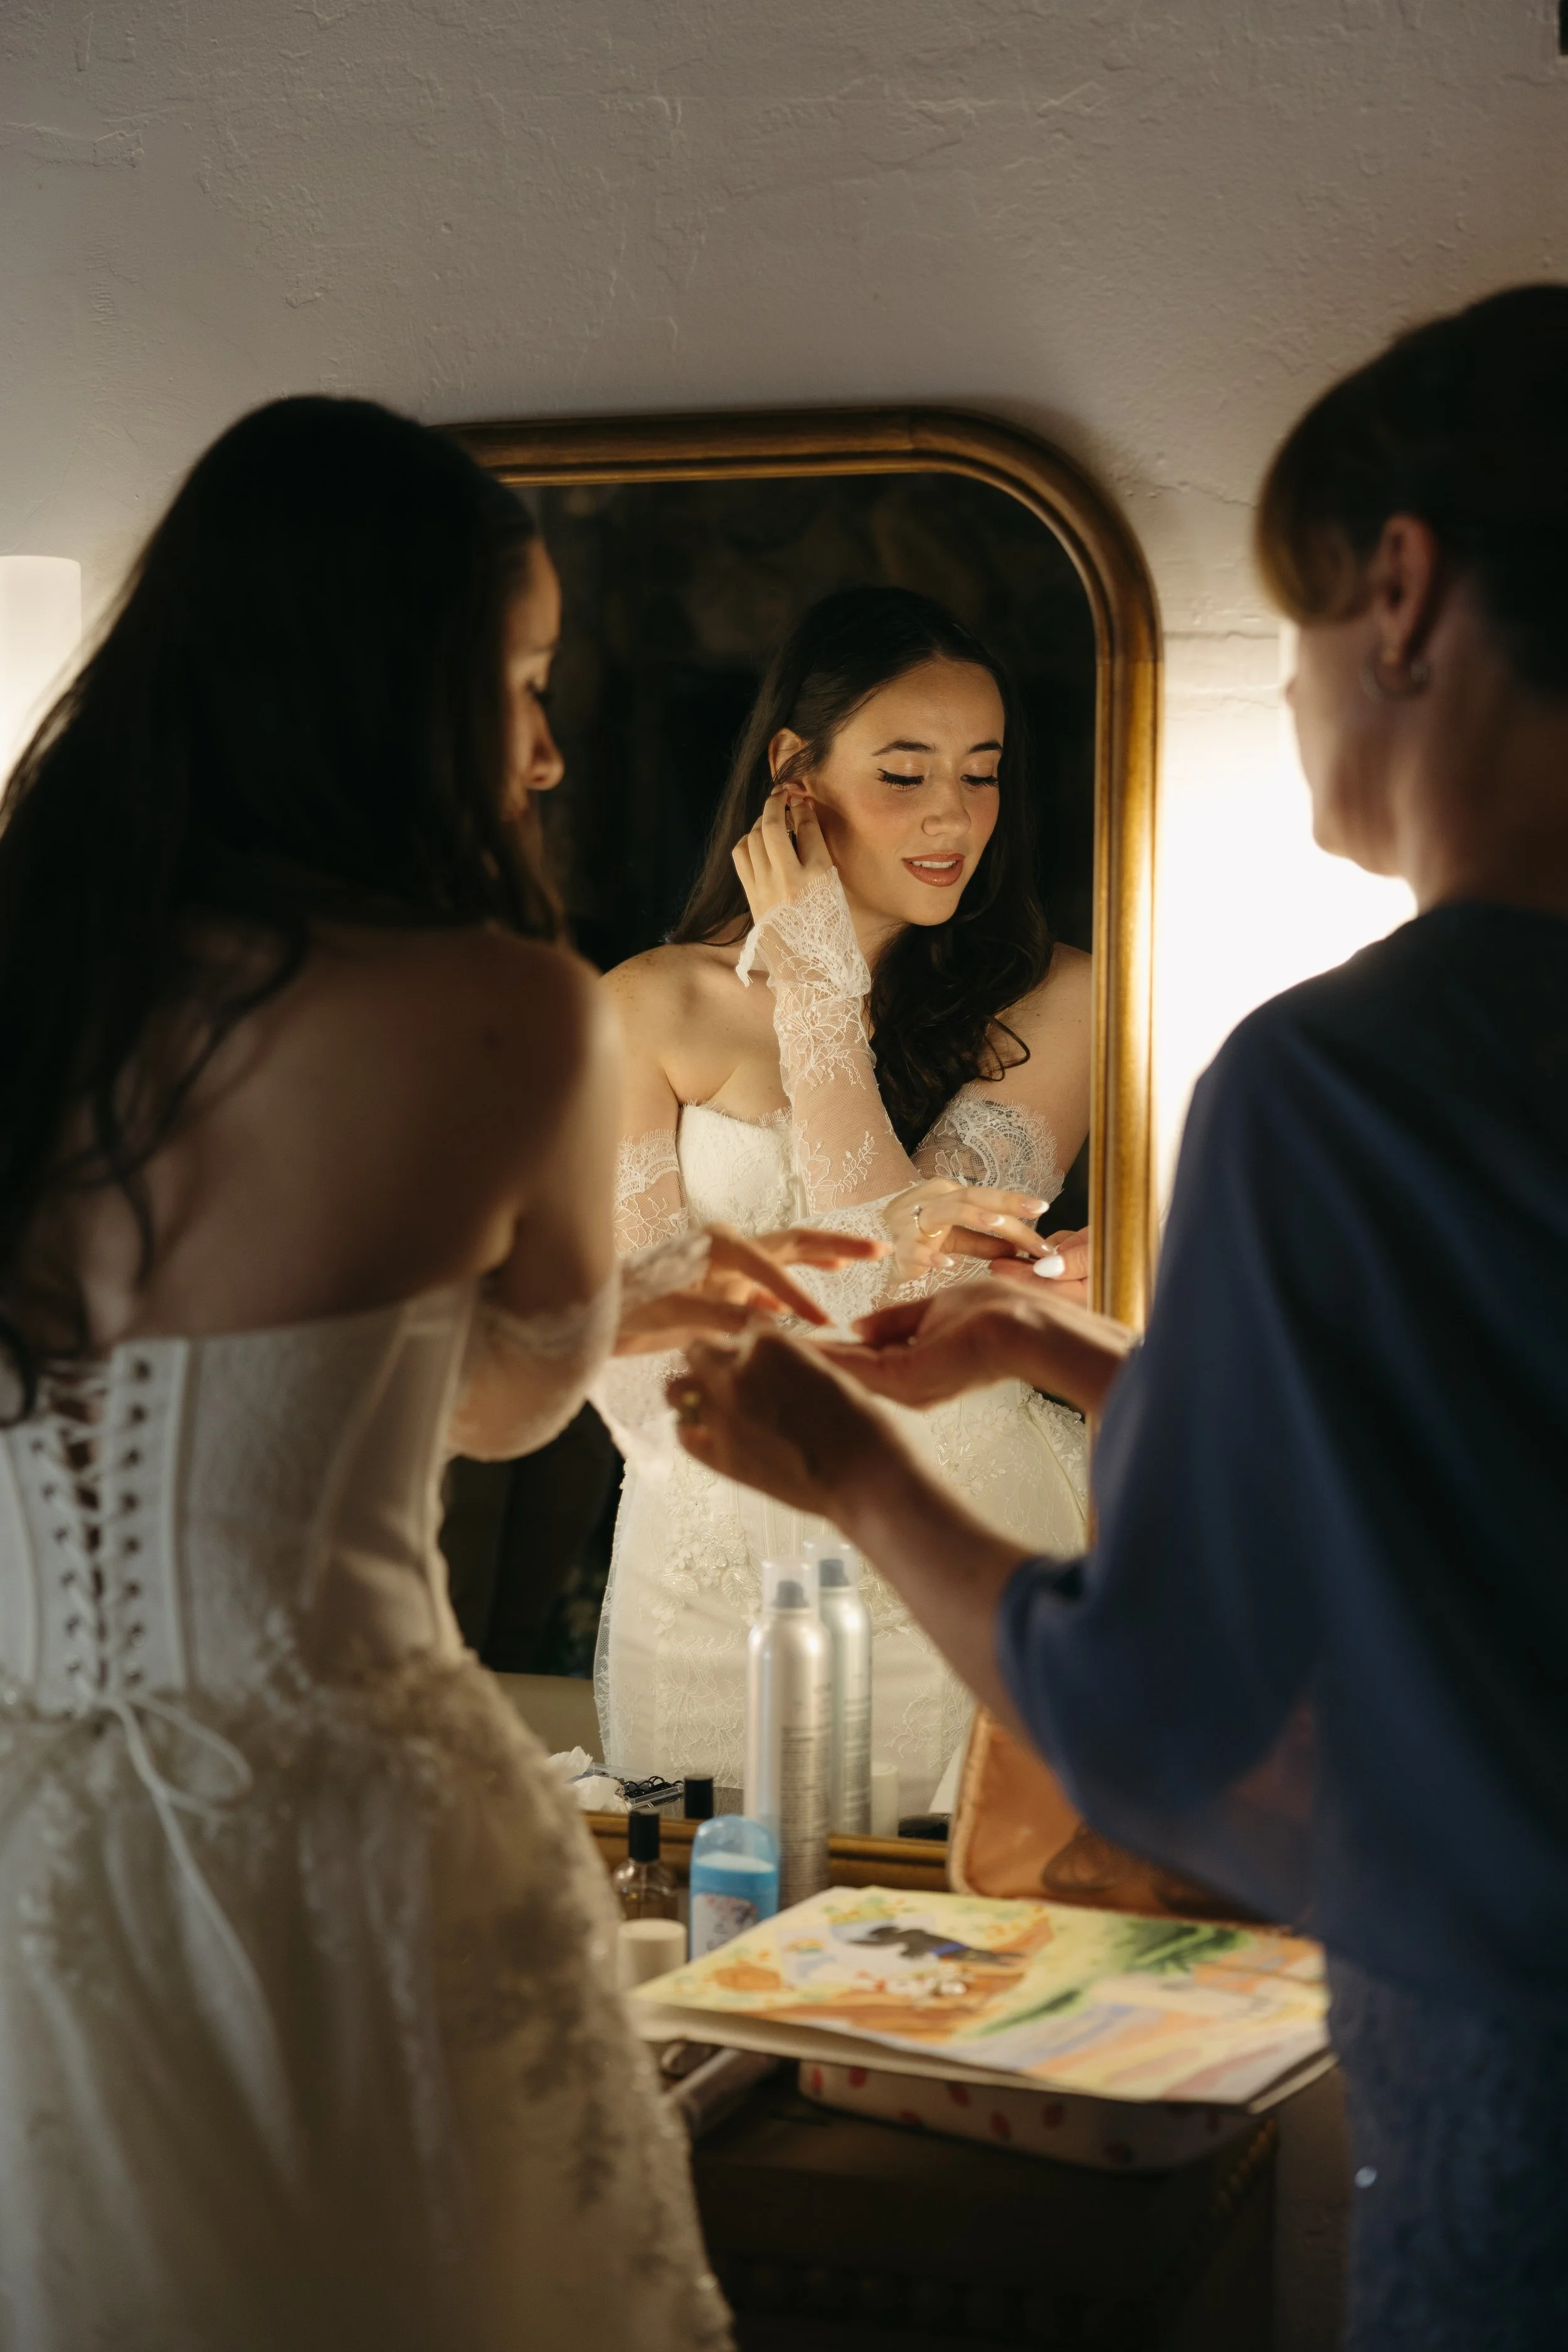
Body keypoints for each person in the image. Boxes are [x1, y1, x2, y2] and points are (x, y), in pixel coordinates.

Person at [666, 283, 1568, 2350]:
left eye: (1297, 633)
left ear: (1404, 592)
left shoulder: (1350, 1080)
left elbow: (1166, 1729)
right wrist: (1068, 1357)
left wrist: (845, 1474)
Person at [0, 391, 822, 2349]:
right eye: (520, 679)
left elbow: (194, 1348)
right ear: (378, 686)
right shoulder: (500, 1003)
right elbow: (503, 1403)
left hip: (36, 1838)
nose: (544, 748)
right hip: (329, 1831)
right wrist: (602, 1318)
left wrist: (599, 1312)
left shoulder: (35, 974)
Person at [595, 586, 1093, 1811]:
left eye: (980, 775)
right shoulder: (650, 1008)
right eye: (906, 772)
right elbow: (630, 1375)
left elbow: (892, 1296)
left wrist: (822, 996)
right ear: (793, 775)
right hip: (702, 1582)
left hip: (971, 1551)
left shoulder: (1060, 999)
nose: (951, 818)